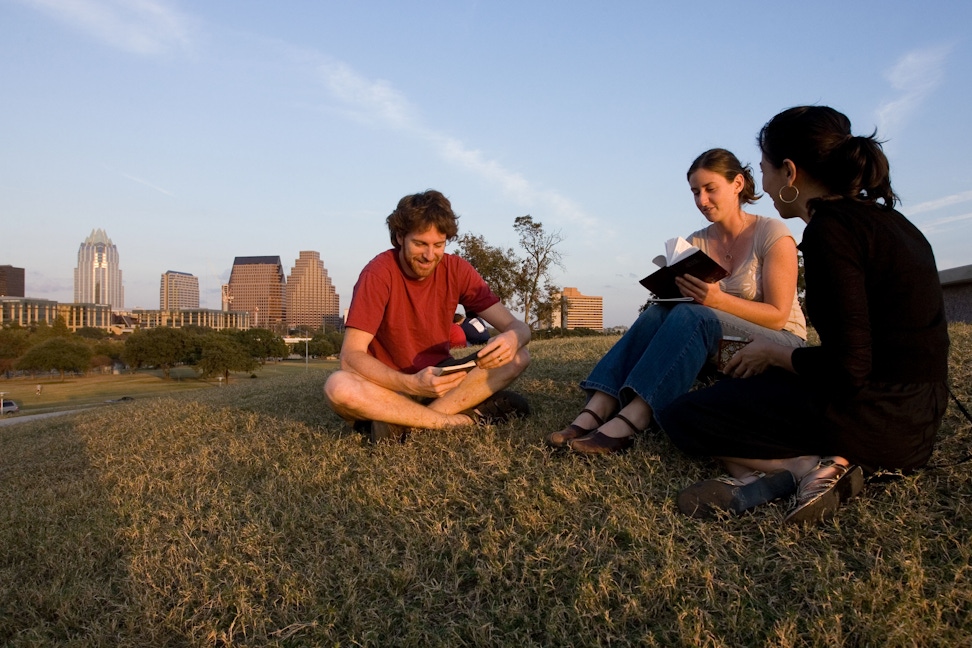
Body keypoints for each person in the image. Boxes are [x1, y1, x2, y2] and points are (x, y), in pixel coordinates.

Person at [659, 106, 950, 524]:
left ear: (790, 172)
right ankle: (770, 475)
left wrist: (775, 355)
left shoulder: (830, 232)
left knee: (683, 416)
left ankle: (805, 468)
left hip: (875, 422)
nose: (766, 185)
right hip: (917, 424)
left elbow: (848, 367)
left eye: (766, 170)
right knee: (749, 394)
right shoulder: (890, 221)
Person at [548, 148, 807, 454]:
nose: (702, 201)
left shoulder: (771, 232)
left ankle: (634, 418)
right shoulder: (697, 241)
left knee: (694, 315)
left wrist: (716, 300)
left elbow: (777, 316)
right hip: (723, 350)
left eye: (711, 190)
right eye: (695, 192)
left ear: (737, 184)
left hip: (777, 346)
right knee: (661, 311)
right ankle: (599, 406)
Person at [324, 190, 532, 443]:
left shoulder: (456, 269)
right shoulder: (378, 274)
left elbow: (517, 326)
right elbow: (351, 356)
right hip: (388, 384)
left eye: (439, 245)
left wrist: (513, 337)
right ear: (400, 237)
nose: (429, 255)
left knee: (518, 356)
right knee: (339, 386)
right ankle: (456, 420)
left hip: (441, 377)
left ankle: (409, 423)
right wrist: (410, 384)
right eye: (420, 243)